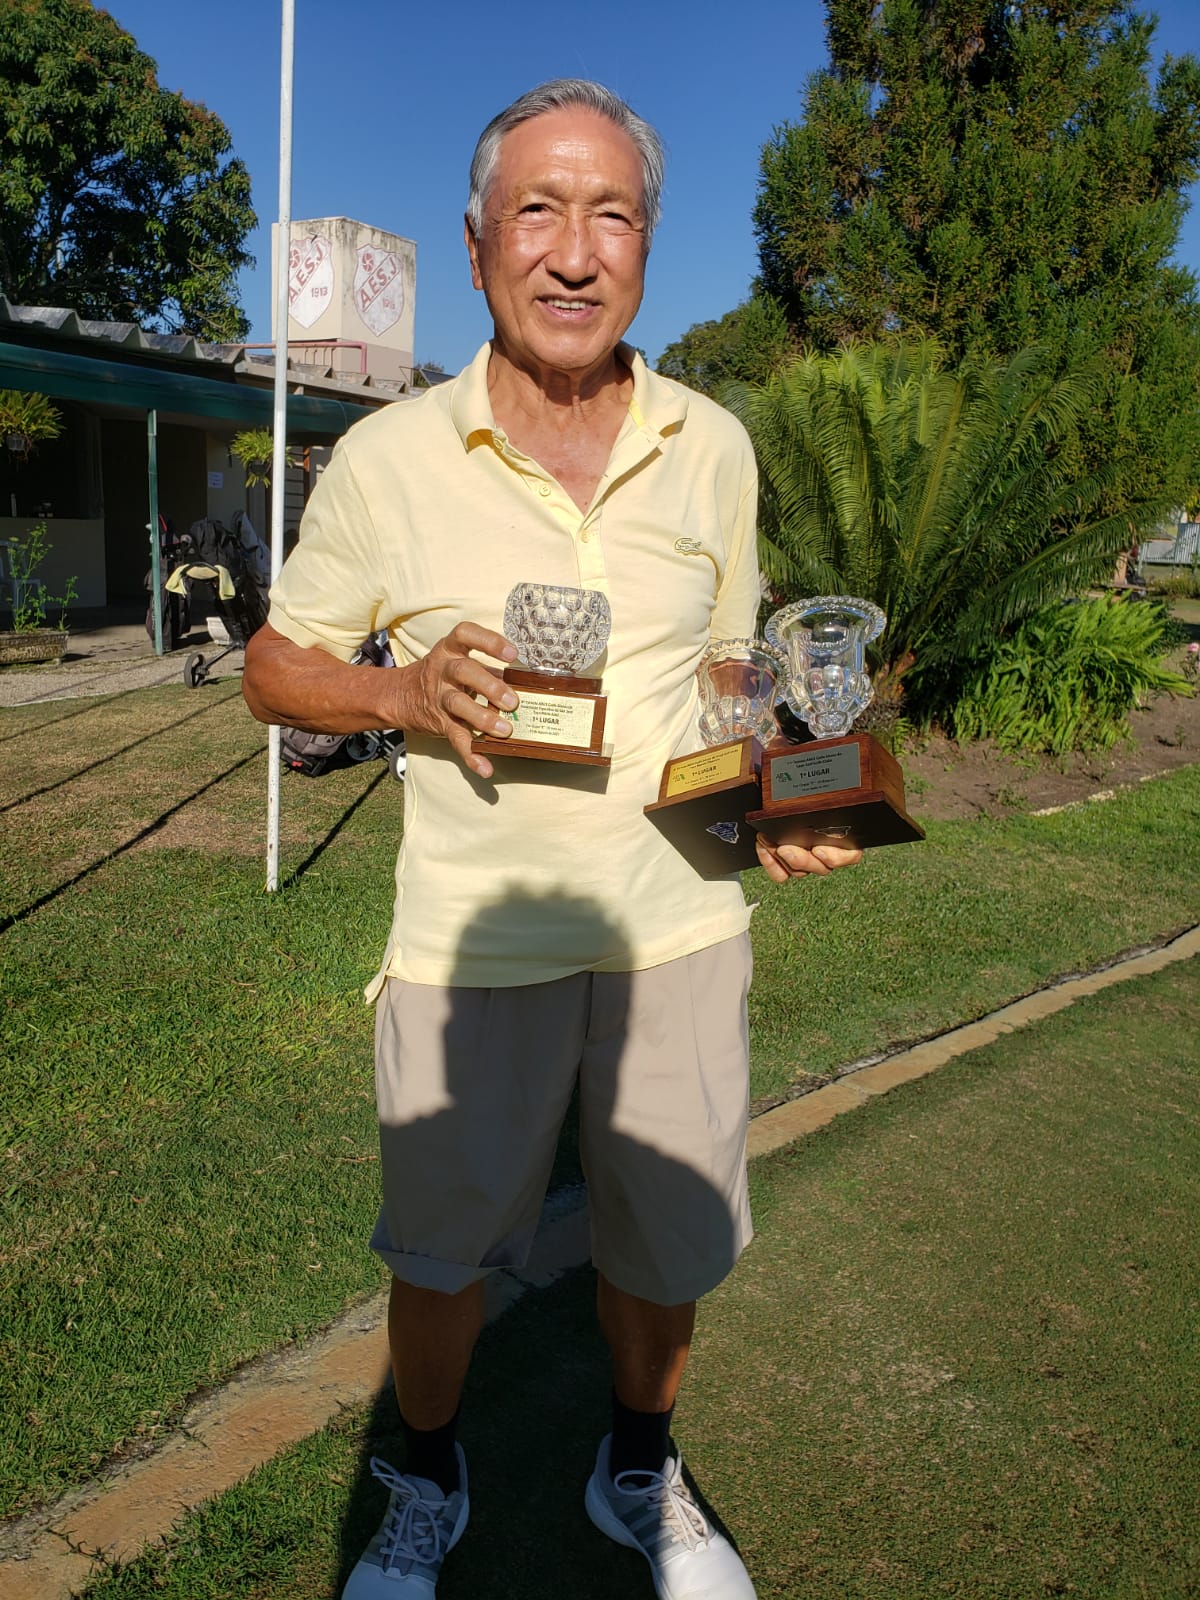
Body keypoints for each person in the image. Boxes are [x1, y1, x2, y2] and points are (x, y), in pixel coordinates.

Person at [243, 78, 861, 1600]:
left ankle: (635, 1467)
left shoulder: (712, 441)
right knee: (440, 1261)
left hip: (681, 932)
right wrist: (395, 687)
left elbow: (728, 671)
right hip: (473, 947)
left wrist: (776, 790)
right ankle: (426, 1472)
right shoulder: (390, 458)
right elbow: (275, 663)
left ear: (649, 246)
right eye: (538, 209)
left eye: (612, 214)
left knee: (663, 1259)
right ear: (476, 250)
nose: (574, 252)